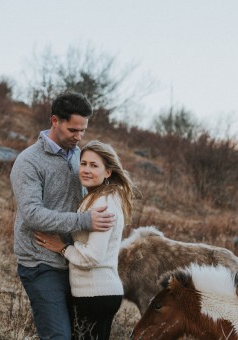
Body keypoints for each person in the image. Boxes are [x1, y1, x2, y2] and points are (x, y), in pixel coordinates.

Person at [9, 92, 116, 340]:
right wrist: (84, 221)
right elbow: (33, 215)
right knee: (58, 336)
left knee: (82, 335)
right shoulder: (29, 162)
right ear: (55, 121)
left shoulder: (81, 157)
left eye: (83, 131)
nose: (79, 137)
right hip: (41, 263)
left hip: (75, 260)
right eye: (73, 130)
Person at [35, 140, 137, 340]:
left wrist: (63, 248)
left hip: (96, 294)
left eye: (94, 165)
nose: (86, 170)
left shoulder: (103, 203)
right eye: (83, 163)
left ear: (108, 172)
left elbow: (93, 257)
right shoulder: (95, 197)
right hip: (95, 293)